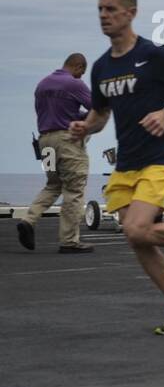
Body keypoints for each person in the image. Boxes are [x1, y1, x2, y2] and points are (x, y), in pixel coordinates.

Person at [70, 0, 164, 334]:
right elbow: (100, 115)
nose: (104, 15)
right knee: (136, 237)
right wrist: (84, 127)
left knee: (137, 227)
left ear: (131, 13)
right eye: (100, 9)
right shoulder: (101, 67)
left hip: (158, 157)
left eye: (110, 9)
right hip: (125, 162)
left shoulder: (155, 54)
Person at [17, 54, 94, 253]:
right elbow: (96, 107)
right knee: (74, 189)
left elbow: (52, 113)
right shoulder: (74, 84)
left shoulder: (42, 85)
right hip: (66, 142)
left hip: (44, 142)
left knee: (53, 184)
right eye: (81, 73)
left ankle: (29, 219)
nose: (81, 77)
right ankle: (69, 241)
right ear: (78, 66)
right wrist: (84, 118)